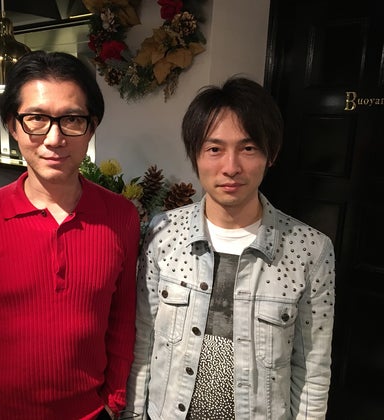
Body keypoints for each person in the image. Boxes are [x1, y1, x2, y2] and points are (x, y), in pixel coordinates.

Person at [0, 51, 140, 420]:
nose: (54, 138)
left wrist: (114, 398)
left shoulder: (121, 217)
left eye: (72, 120)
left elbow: (122, 315)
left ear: (92, 127)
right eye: (36, 119)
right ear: (12, 126)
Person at [126, 76, 335, 419]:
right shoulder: (163, 233)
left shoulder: (310, 249)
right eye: (214, 149)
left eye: (248, 148)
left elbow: (312, 368)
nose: (231, 167)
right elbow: (143, 342)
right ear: (195, 154)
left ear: (271, 154)